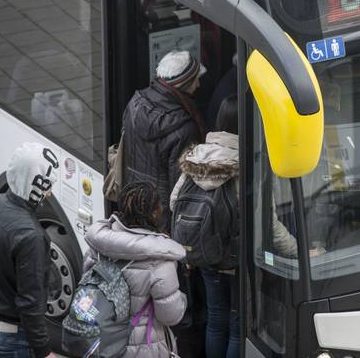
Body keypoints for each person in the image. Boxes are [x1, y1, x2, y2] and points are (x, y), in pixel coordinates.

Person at [170, 95, 299, 358]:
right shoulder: (250, 166)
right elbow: (269, 227)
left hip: (204, 254)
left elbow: (174, 202)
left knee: (216, 319)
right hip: (237, 259)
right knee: (239, 325)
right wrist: (298, 251)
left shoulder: (197, 156)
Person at [83, 182, 187, 357]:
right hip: (143, 349)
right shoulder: (160, 260)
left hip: (102, 341)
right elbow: (170, 316)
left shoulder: (98, 246)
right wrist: (182, 299)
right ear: (154, 213)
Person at [0, 143, 59, 358]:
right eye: (48, 185)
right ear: (37, 186)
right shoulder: (33, 236)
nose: (50, 193)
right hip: (9, 338)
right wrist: (44, 351)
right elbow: (30, 302)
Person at [123, 50, 207, 232]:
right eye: (195, 80)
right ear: (183, 85)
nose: (199, 84)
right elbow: (182, 184)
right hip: (161, 211)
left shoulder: (135, 103)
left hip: (134, 196)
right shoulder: (184, 128)